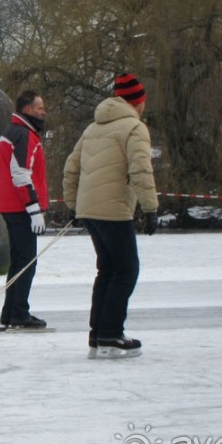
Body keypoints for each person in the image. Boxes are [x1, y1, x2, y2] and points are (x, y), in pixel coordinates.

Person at [63, 73, 159, 359]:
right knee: (126, 270)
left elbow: (71, 167)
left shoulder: (92, 128)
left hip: (90, 209)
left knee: (107, 270)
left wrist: (72, 204)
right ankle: (111, 333)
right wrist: (150, 208)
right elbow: (140, 169)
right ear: (137, 102)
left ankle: (97, 333)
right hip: (114, 209)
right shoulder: (134, 128)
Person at [0, 90, 50, 331]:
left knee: (18, 262)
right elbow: (21, 174)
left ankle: (10, 313)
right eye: (40, 107)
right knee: (27, 262)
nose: (43, 112)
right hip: (20, 207)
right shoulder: (24, 135)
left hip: (11, 206)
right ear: (27, 109)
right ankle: (19, 313)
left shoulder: (13, 132)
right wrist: (33, 208)